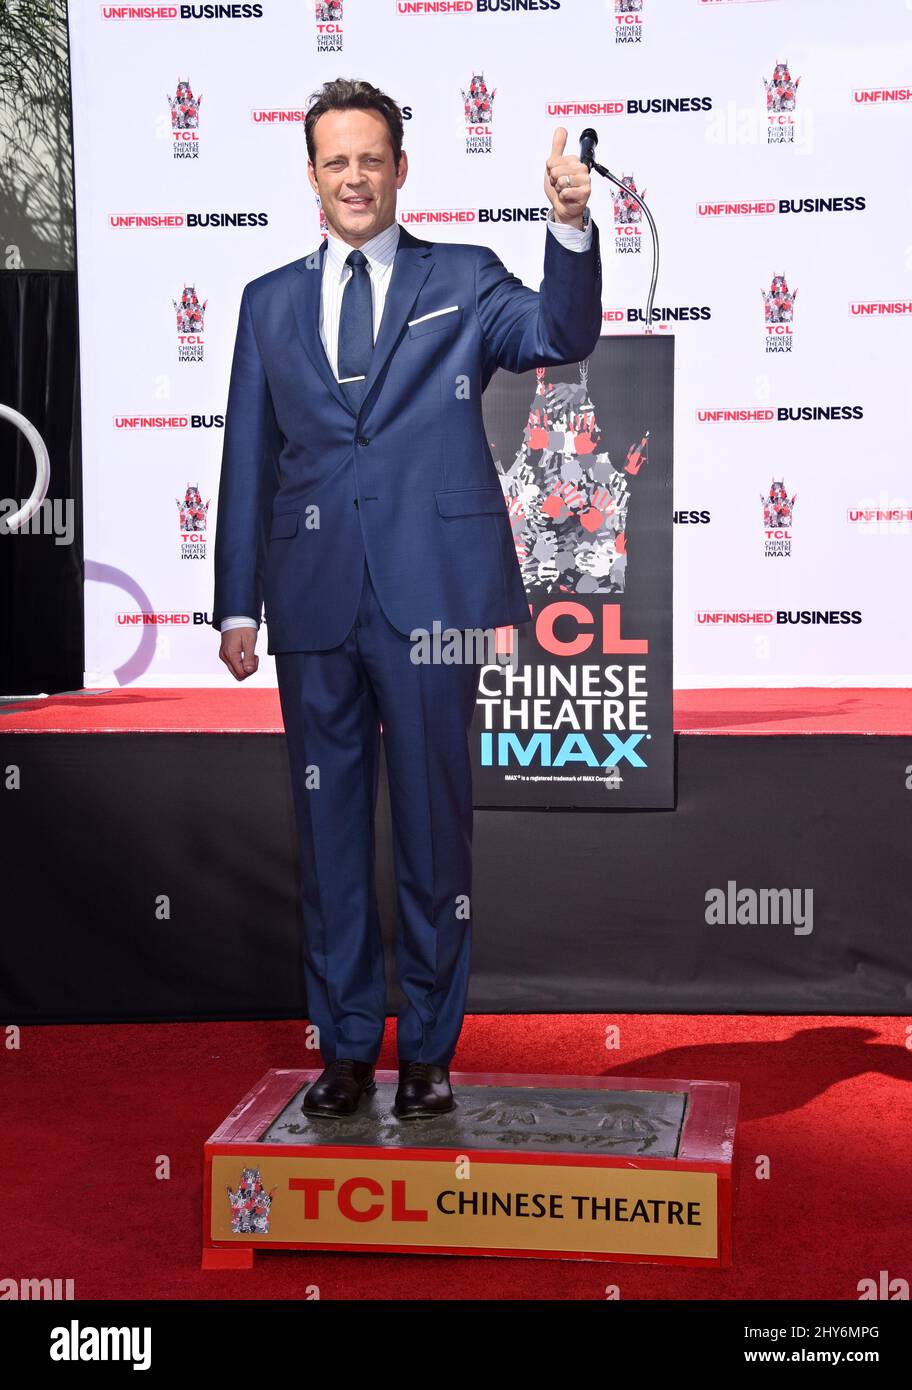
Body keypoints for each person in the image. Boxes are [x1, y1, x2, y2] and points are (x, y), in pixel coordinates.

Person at [212, 78, 601, 1120]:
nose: (353, 176)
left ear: (399, 168)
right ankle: (343, 1046)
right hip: (309, 602)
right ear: (310, 173)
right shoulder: (266, 301)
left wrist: (569, 228)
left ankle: (426, 1049)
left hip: (435, 600)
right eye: (335, 160)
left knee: (435, 834)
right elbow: (249, 454)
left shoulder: (463, 279)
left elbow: (561, 336)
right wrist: (234, 604)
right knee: (328, 837)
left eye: (370, 158)